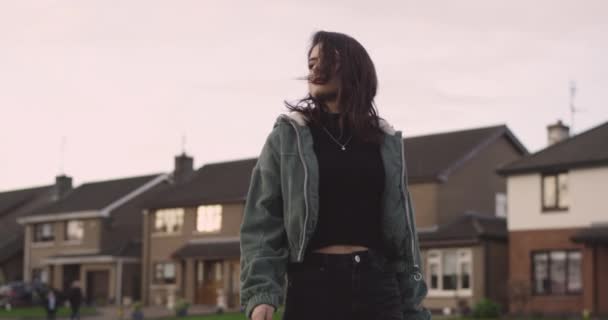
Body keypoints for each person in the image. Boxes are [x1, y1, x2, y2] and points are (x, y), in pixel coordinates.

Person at [240, 31, 430, 320]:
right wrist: (261, 293)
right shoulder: (288, 137)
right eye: (311, 63)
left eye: (325, 61)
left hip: (378, 286)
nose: (314, 70)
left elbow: (403, 234)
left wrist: (414, 307)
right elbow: (263, 221)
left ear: (352, 67)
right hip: (312, 286)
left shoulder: (385, 141)